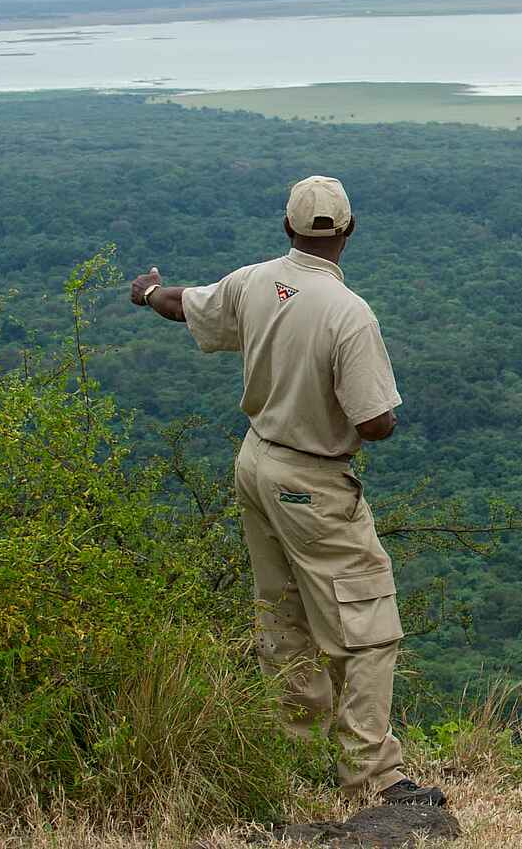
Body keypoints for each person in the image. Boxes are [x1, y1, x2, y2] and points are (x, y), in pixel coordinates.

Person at [128, 175, 445, 807]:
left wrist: (146, 292)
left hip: (257, 461)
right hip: (312, 478)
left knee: (283, 613)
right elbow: (375, 423)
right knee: (367, 621)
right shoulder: (347, 313)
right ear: (349, 231)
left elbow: (182, 303)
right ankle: (373, 773)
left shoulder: (253, 282)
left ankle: (293, 753)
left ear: (287, 227)